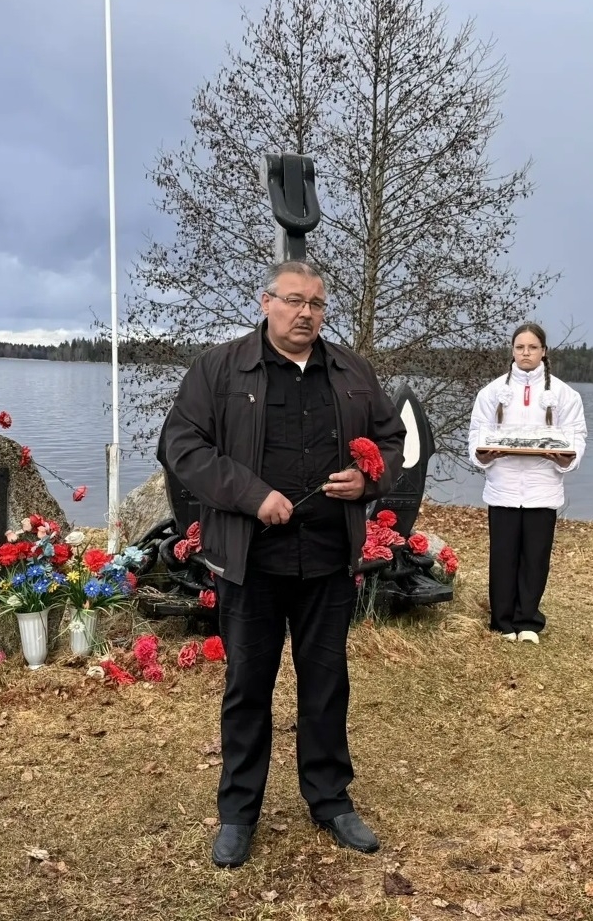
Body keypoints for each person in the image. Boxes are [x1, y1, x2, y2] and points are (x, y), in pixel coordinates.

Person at [159, 261, 406, 868]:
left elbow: (393, 441)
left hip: (327, 558)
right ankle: (238, 812)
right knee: (248, 687)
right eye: (294, 301)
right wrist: (252, 495)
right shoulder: (219, 369)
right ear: (266, 301)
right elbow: (182, 446)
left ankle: (330, 799)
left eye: (316, 304)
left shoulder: (352, 372)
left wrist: (369, 480)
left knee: (326, 684)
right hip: (251, 561)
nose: (306, 314)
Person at [468, 322, 587, 644]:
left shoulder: (564, 394)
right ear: (512, 350)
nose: (526, 353)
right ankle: (502, 622)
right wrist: (483, 454)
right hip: (503, 488)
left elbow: (576, 435)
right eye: (520, 347)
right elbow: (477, 434)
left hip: (542, 489)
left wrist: (566, 458)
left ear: (543, 351)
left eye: (532, 347)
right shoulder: (491, 392)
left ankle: (528, 622)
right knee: (503, 556)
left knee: (535, 558)